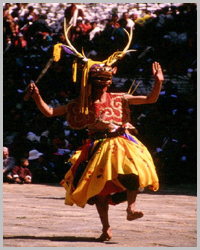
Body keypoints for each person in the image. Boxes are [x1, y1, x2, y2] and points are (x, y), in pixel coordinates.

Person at [25, 24, 164, 241]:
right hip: (97, 147)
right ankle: (106, 228)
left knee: (133, 174)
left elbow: (150, 99)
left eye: (105, 81)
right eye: (98, 81)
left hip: (121, 143)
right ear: (89, 82)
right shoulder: (80, 103)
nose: (102, 85)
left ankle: (131, 208)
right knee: (100, 192)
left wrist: (158, 83)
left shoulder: (119, 98)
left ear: (110, 82)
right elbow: (50, 112)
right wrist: (37, 97)